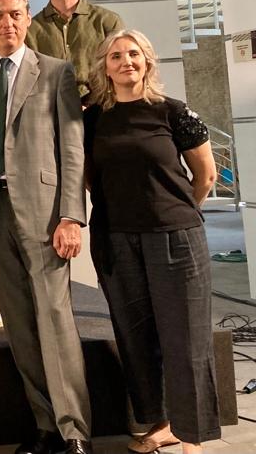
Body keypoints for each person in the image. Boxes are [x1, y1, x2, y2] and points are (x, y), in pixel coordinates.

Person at [0, 0, 91, 454]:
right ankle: (46, 425)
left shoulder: (55, 73)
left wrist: (71, 215)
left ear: (27, 19)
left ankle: (74, 432)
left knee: (54, 319)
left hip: (46, 216)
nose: (7, 23)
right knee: (19, 325)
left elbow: (73, 151)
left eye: (15, 14)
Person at [84, 30, 219, 454]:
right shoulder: (92, 118)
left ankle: (191, 437)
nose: (126, 61)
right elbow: (91, 178)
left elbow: (207, 176)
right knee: (135, 336)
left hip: (174, 238)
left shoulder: (174, 112)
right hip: (116, 240)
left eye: (134, 54)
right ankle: (161, 424)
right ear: (105, 67)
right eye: (117, 56)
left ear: (147, 60)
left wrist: (176, 212)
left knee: (185, 338)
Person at [25, 0, 124, 103]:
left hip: (102, 110)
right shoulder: (31, 29)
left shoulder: (107, 21)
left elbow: (121, 69)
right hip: (52, 114)